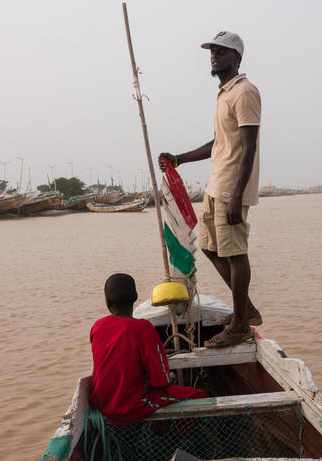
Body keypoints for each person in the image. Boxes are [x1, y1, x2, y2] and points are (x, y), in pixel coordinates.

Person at [159, 31, 261, 348]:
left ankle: (241, 323)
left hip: (232, 188)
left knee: (235, 251)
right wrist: (179, 159)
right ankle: (246, 310)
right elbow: (218, 142)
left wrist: (237, 196)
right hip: (216, 186)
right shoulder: (224, 94)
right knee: (209, 247)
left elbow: (248, 148)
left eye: (221, 51)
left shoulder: (245, 93)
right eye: (212, 50)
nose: (214, 55)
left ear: (237, 57)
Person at [88, 273, 207, 425]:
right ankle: (180, 438)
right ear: (136, 296)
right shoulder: (143, 328)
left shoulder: (98, 326)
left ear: (107, 301)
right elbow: (161, 383)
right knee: (200, 395)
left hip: (101, 404)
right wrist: (171, 377)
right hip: (132, 406)